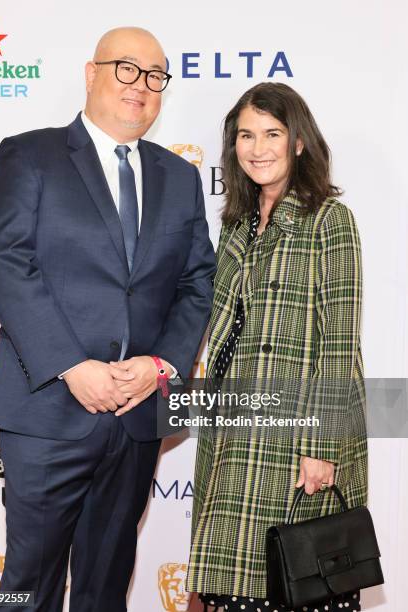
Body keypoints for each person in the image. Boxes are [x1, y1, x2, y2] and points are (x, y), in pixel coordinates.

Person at [0, 26, 215, 612]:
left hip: (138, 419)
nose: (141, 86)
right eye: (126, 69)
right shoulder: (30, 153)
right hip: (47, 412)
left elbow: (195, 281)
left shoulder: (179, 178)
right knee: (25, 589)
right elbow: (7, 262)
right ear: (92, 73)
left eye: (155, 76)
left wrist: (161, 364)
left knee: (106, 588)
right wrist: (70, 366)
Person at [186, 83, 367, 612]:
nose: (257, 148)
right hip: (231, 433)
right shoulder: (237, 227)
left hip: (296, 441)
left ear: (299, 143)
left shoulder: (329, 221)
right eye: (246, 135)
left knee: (290, 586)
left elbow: (339, 342)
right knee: (229, 589)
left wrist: (323, 446)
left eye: (272, 134)